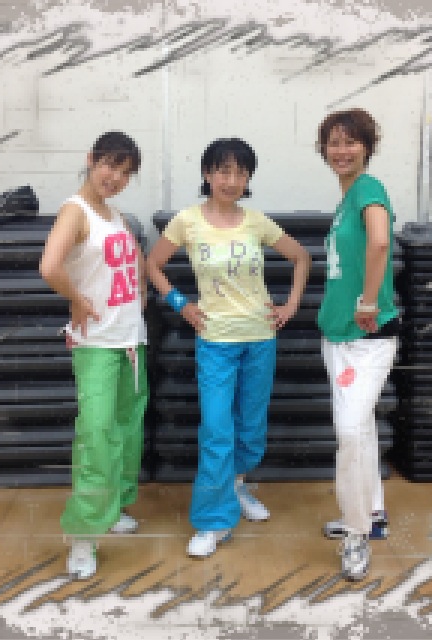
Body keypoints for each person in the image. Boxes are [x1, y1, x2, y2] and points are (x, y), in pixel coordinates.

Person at [147, 138, 310, 558]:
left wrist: (290, 304)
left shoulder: (257, 222)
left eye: (240, 172)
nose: (231, 180)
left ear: (248, 177)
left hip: (260, 337)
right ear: (207, 174)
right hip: (216, 342)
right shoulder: (187, 221)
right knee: (217, 429)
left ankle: (236, 488)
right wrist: (181, 304)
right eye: (223, 171)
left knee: (250, 427)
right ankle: (212, 522)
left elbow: (301, 258)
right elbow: (152, 264)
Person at [39, 131, 148, 579]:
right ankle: (83, 536)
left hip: (130, 342)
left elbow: (132, 264)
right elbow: (50, 266)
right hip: (97, 345)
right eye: (110, 165)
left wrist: (139, 299)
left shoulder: (114, 214)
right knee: (97, 436)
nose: (115, 177)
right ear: (91, 159)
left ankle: (112, 508)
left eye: (125, 172)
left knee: (126, 431)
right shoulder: (76, 210)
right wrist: (77, 300)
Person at [316, 109, 399, 581]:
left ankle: (355, 533)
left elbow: (380, 243)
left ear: (367, 147)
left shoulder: (369, 189)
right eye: (334, 142)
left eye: (351, 142)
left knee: (348, 432)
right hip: (338, 335)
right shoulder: (346, 199)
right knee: (361, 428)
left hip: (365, 337)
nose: (341, 150)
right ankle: (372, 513)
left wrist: (368, 300)